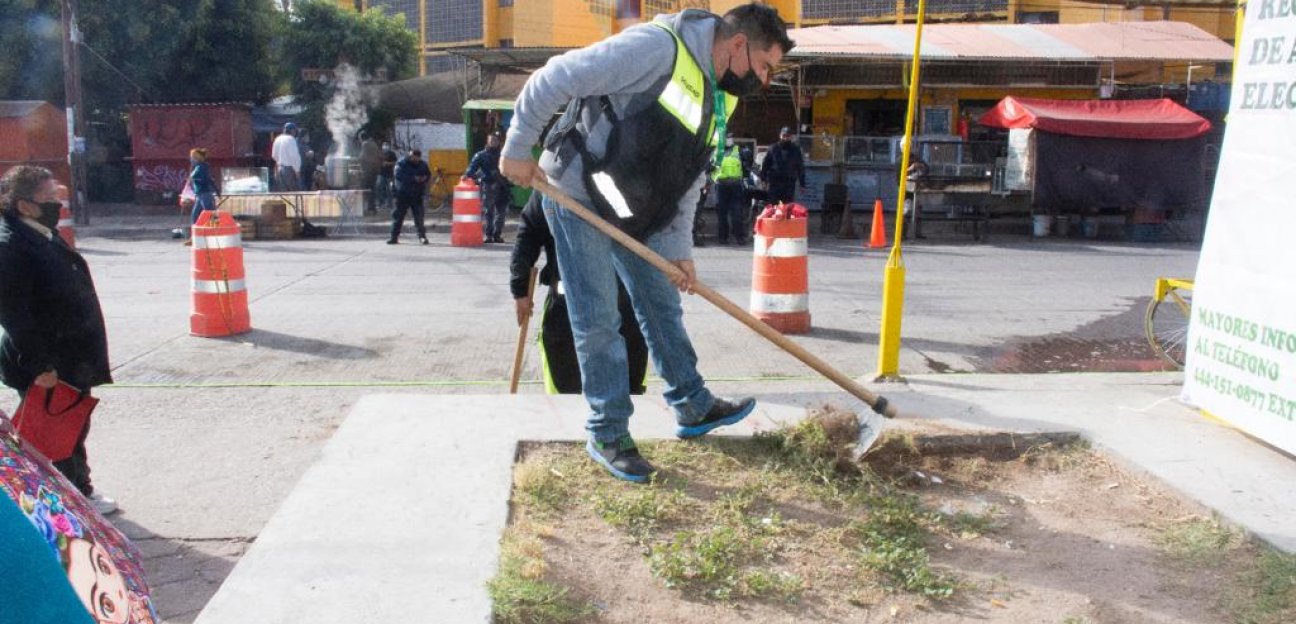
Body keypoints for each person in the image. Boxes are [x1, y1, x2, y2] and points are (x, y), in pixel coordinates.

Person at [501, 3, 793, 482]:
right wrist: (516, 149)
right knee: (598, 319)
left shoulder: (721, 96)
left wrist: (679, 250)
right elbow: (555, 76)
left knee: (662, 304)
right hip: (578, 193)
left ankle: (693, 404)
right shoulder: (656, 49)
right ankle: (608, 431)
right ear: (738, 46)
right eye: (764, 66)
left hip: (638, 209)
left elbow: (690, 176)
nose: (764, 79)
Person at [0, 166, 115, 515]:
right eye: (49, 199)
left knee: (72, 427)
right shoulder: (11, 245)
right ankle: (69, 504)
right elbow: (15, 315)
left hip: (70, 354)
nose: (57, 205)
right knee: (55, 437)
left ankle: (80, 490)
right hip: (47, 360)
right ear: (25, 204)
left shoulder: (40, 233)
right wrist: (40, 366)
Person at [511, 193, 649, 394]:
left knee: (628, 393)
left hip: (625, 310)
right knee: (566, 397)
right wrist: (520, 288)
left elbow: (658, 228)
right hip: (566, 313)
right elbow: (529, 233)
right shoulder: (551, 182)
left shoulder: (628, 176)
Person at [465, 133, 512, 243]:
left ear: (499, 142)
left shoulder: (505, 155)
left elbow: (512, 169)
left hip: (503, 187)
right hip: (489, 186)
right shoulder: (481, 155)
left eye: (495, 141)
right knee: (489, 212)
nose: (493, 143)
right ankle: (489, 235)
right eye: (491, 140)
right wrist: (468, 175)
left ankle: (497, 234)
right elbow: (472, 169)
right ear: (487, 142)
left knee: (501, 212)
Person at [388, 150, 431, 245]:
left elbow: (428, 174)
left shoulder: (422, 164)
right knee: (398, 216)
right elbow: (398, 175)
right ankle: (393, 237)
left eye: (417, 158)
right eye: (412, 157)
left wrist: (424, 178)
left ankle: (422, 237)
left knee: (419, 217)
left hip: (417, 194)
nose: (414, 159)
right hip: (402, 194)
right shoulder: (402, 163)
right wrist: (413, 178)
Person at [712, 138, 748, 245]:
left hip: (735, 185)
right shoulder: (717, 150)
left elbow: (746, 165)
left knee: (737, 213)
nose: (728, 140)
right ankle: (723, 237)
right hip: (721, 185)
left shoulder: (739, 150)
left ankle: (739, 237)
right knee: (721, 213)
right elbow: (711, 166)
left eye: (730, 138)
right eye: (726, 138)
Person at [760, 126, 806, 204]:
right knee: (773, 207)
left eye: (787, 136)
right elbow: (765, 164)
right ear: (780, 135)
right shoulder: (773, 148)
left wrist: (802, 184)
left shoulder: (795, 150)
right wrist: (763, 179)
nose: (785, 138)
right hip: (775, 183)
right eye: (783, 136)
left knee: (787, 208)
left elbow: (800, 167)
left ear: (790, 137)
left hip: (789, 184)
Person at [188, 148, 217, 226]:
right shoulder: (198, 167)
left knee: (209, 212)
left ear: (197, 158)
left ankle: (215, 230)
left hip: (204, 193)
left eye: (192, 158)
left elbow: (206, 179)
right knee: (195, 215)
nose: (191, 160)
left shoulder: (201, 167)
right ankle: (196, 233)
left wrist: (195, 179)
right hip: (200, 194)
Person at [271, 122, 302, 192]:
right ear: (292, 131)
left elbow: (274, 156)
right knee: (295, 193)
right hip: (289, 169)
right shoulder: (291, 139)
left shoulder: (277, 139)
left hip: (279, 168)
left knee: (284, 193)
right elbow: (294, 157)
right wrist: (297, 170)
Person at [359, 133, 382, 214]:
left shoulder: (365, 144)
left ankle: (364, 209)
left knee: (365, 190)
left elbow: (363, 157)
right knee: (372, 190)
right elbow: (378, 156)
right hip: (375, 171)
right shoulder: (374, 144)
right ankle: (372, 208)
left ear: (362, 138)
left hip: (368, 171)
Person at [376, 142, 398, 212]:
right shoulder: (380, 153)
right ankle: (381, 203)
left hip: (389, 174)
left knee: (390, 189)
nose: (385, 147)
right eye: (384, 145)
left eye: (386, 145)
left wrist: (387, 163)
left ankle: (390, 204)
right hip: (381, 174)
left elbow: (395, 162)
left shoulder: (392, 154)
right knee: (379, 187)